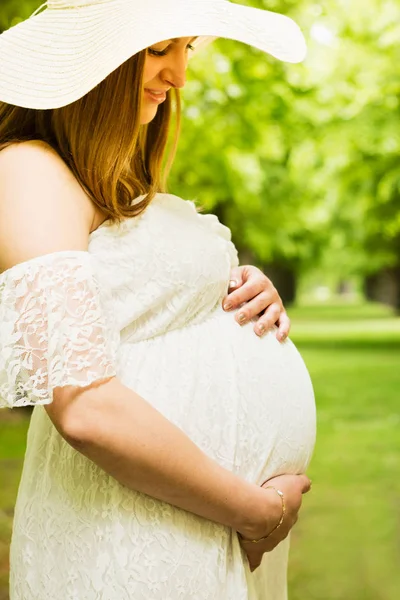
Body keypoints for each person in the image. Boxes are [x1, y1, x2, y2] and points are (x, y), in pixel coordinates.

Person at [0, 1, 316, 598]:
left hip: (176, 522)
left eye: (185, 49)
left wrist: (236, 292)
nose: (179, 77)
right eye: (157, 50)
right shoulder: (28, 169)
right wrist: (252, 511)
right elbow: (84, 405)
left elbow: (139, 299)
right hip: (130, 532)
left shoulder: (106, 182)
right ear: (91, 61)